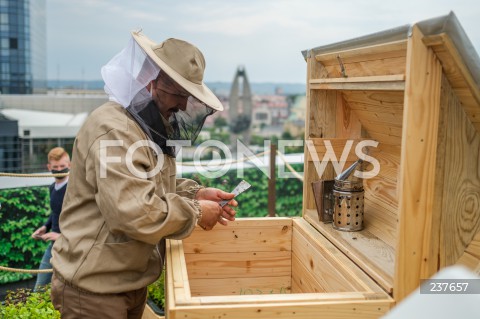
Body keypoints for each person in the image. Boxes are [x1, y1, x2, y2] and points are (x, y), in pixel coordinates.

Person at [50, 31, 237, 319]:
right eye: (178, 94)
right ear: (151, 83)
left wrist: (195, 193)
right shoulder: (114, 130)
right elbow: (134, 211)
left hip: (125, 283)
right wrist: (197, 212)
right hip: (94, 291)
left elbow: (149, 181)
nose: (184, 106)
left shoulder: (141, 126)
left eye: (188, 97)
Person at [31, 146, 70, 291]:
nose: (59, 169)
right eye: (55, 167)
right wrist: (45, 227)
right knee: (39, 288)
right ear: (49, 167)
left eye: (62, 166)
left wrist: (61, 235)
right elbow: (56, 212)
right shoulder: (52, 188)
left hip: (71, 246)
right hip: (54, 246)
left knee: (68, 290)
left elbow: (82, 219)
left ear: (70, 165)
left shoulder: (73, 188)